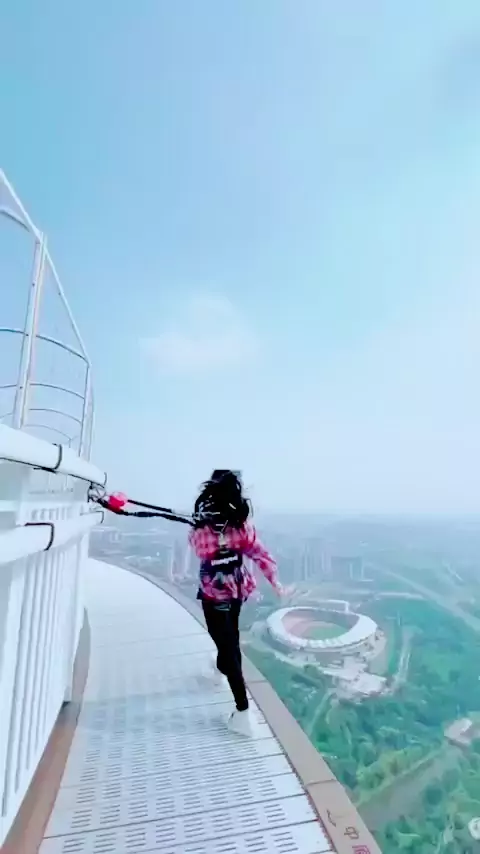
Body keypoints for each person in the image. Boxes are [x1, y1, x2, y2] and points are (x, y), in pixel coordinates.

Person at [189, 469, 283, 735]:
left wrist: (200, 525)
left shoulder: (204, 530)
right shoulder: (243, 528)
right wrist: (274, 581)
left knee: (228, 646)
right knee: (229, 637)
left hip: (213, 594)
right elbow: (260, 554)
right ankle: (220, 668)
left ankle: (242, 711)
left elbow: (198, 548)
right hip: (237, 591)